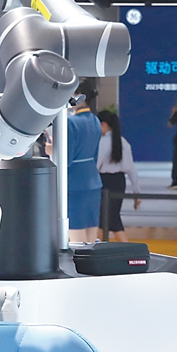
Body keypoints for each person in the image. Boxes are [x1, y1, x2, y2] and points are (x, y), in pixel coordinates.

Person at [65, 80, 103, 243]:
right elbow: (95, 155)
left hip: (74, 184)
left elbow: (66, 159)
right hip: (93, 182)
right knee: (91, 237)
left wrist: (53, 152)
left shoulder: (70, 123)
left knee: (76, 239)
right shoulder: (95, 121)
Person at [97, 110, 141, 242]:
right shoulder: (123, 142)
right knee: (110, 217)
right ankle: (100, 246)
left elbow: (96, 165)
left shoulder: (102, 142)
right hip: (119, 182)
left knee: (106, 219)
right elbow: (132, 169)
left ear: (103, 124)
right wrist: (136, 191)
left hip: (104, 182)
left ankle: (125, 249)